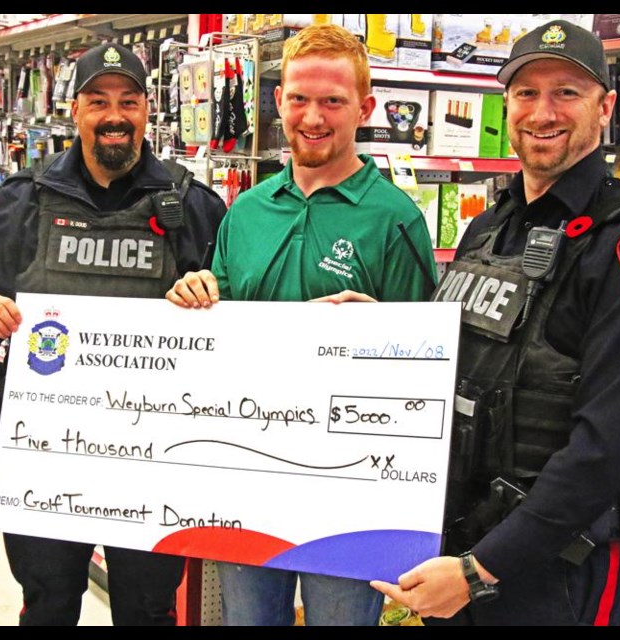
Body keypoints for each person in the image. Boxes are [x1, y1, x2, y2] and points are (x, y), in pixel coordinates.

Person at [371, 19, 620, 626]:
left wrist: (482, 569)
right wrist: (373, 335)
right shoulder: (490, 227)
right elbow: (469, 361)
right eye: (526, 93)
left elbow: (611, 445)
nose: (542, 111)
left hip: (563, 571)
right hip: (468, 542)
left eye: (566, 93)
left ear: (605, 108)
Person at [0, 42, 227, 626]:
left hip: (156, 460)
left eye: (128, 100)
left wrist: (211, 299)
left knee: (147, 611)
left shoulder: (192, 204)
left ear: (149, 110)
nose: (113, 115)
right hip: (46, 456)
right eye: (98, 100)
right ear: (75, 110)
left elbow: (236, 318)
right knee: (46, 605)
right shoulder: (26, 199)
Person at [166, 23, 438, 625]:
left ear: (364, 109)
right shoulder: (247, 210)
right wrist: (195, 297)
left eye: (332, 102)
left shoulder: (395, 220)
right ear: (279, 101)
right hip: (247, 471)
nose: (312, 117)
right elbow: (218, 334)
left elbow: (425, 384)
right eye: (298, 99)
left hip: (348, 491)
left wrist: (387, 339)